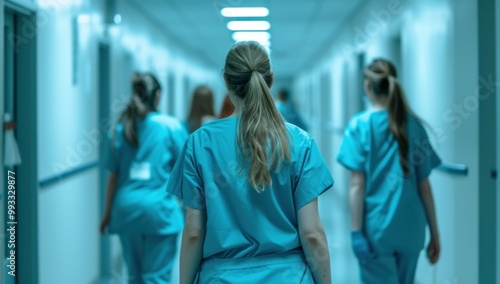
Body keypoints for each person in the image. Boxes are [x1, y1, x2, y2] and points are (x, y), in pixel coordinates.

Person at [166, 41, 334, 284]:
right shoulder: (299, 142)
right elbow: (312, 234)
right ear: (271, 79)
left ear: (226, 82)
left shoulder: (199, 143)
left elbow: (193, 232)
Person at [336, 59, 441, 284]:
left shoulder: (359, 126)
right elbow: (424, 186)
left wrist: (356, 232)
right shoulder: (414, 125)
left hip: (378, 230)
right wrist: (435, 233)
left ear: (367, 86)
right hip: (412, 229)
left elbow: (357, 184)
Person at [100, 73, 188, 283]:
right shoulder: (171, 127)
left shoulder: (121, 128)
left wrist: (106, 214)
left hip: (127, 211)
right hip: (159, 212)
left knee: (135, 276)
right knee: (157, 277)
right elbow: (188, 169)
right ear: (157, 95)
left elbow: (113, 176)